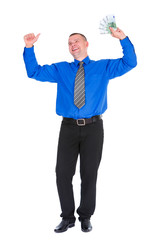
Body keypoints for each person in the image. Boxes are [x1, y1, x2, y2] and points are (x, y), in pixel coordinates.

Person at [23, 27, 137, 233]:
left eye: (76, 41)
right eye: (69, 43)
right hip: (68, 128)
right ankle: (67, 217)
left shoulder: (103, 67)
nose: (72, 44)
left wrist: (124, 39)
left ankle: (85, 216)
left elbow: (130, 63)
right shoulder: (61, 69)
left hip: (94, 128)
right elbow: (34, 72)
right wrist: (29, 48)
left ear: (86, 44)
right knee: (62, 173)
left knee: (89, 173)